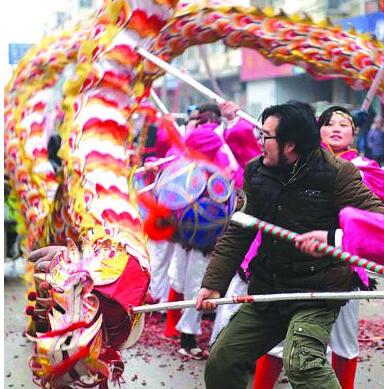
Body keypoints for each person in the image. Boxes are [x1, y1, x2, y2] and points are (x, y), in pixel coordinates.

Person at [196, 102, 384, 389]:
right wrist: (212, 283)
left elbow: (375, 220)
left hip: (317, 291)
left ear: (290, 145)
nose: (259, 141)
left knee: (302, 362)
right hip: (269, 289)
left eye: (266, 136)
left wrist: (334, 238)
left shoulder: (338, 172)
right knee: (222, 360)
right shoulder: (256, 172)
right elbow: (238, 232)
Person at [252, 105, 384, 388]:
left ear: (355, 133)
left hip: (343, 270)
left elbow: (374, 218)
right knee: (280, 342)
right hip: (295, 266)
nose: (336, 128)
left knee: (345, 342)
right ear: (316, 129)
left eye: (344, 124)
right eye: (329, 123)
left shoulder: (368, 171)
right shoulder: (295, 162)